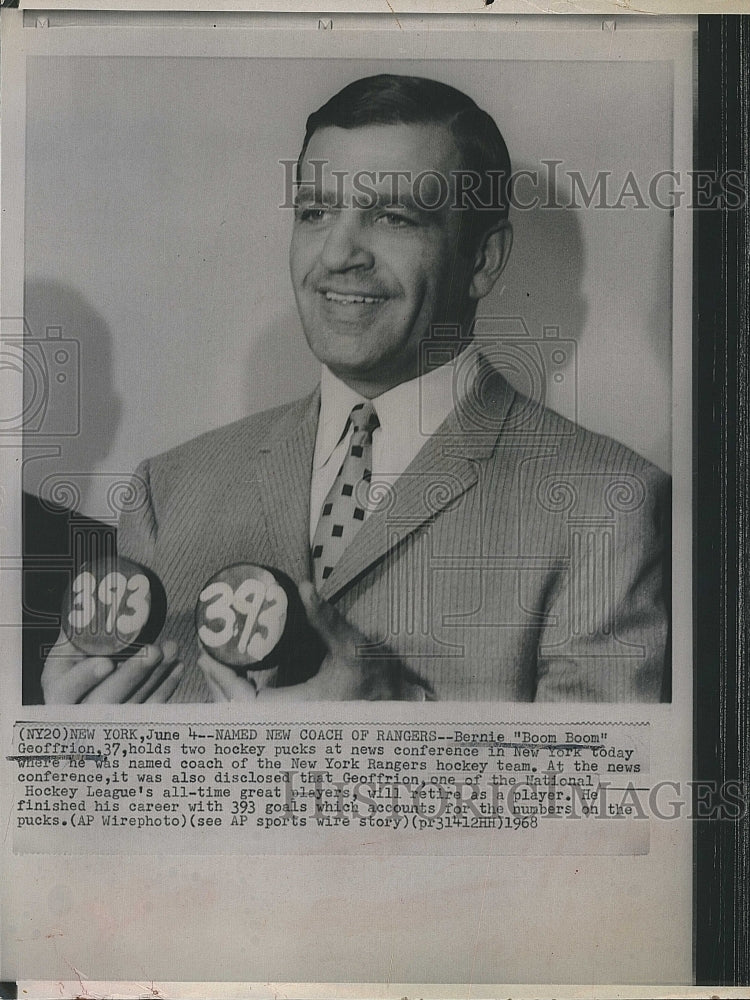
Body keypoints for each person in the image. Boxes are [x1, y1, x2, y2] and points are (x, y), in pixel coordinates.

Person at [41, 73, 670, 704]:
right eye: (315, 212)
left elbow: (604, 797)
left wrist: (390, 717)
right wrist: (78, 753)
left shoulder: (608, 507)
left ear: (482, 261)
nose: (339, 253)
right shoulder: (170, 491)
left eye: (394, 217)